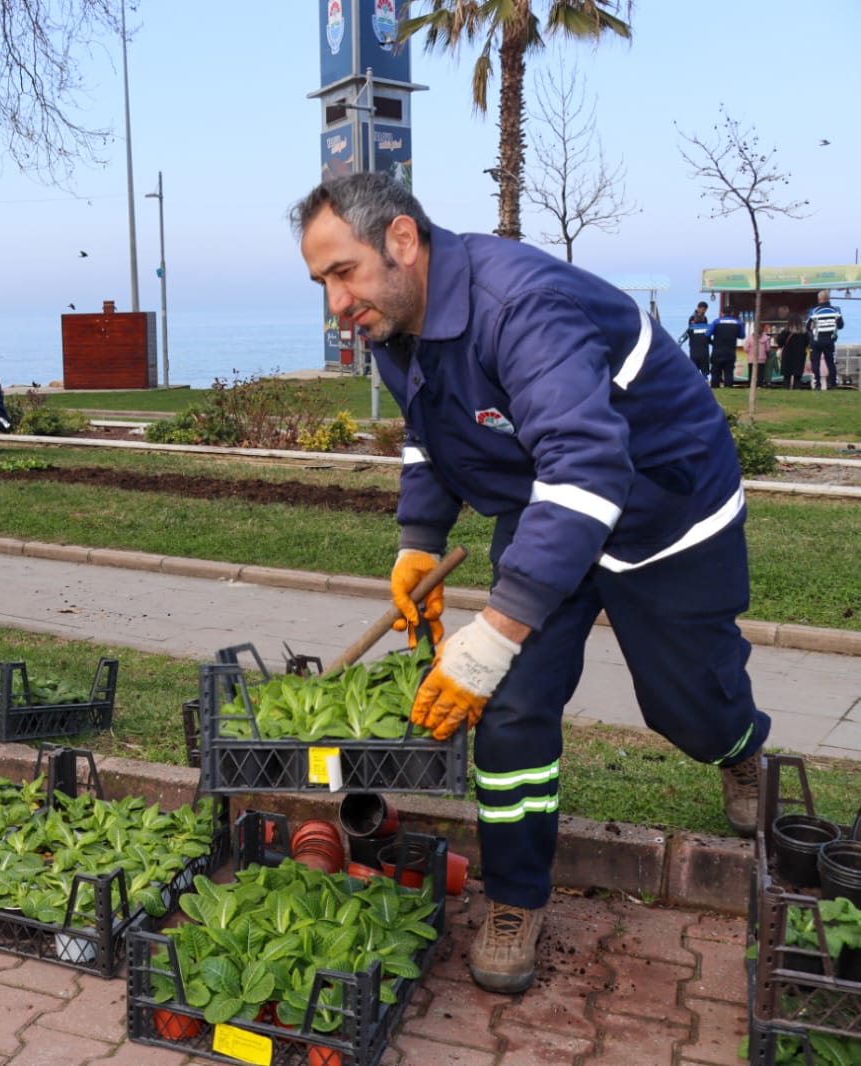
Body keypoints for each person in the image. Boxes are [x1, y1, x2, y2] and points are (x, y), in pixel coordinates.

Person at [291, 173, 770, 996]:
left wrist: (493, 632)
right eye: (321, 282)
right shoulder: (394, 321)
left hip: (666, 504)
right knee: (509, 707)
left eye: (343, 273)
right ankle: (515, 897)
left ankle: (737, 749)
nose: (336, 303)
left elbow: (588, 467)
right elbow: (430, 432)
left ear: (401, 240)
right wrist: (418, 541)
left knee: (684, 705)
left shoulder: (522, 305)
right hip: (546, 504)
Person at [807, 291, 844, 391]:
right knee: (830, 362)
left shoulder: (814, 311)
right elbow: (841, 325)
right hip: (830, 340)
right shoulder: (836, 310)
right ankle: (833, 384)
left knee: (815, 362)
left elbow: (808, 326)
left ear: (819, 299)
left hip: (816, 340)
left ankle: (817, 384)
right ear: (828, 298)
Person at [705, 304, 745, 388]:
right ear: (732, 313)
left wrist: (712, 342)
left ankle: (715, 388)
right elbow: (742, 335)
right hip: (730, 352)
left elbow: (707, 334)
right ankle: (728, 388)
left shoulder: (716, 322)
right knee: (729, 373)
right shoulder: (738, 323)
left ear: (722, 313)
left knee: (715, 372)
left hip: (717, 351)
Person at [680, 302, 711, 378]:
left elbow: (705, 331)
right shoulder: (692, 318)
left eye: (705, 310)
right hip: (696, 346)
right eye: (703, 309)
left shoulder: (705, 318)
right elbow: (690, 330)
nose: (704, 311)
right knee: (696, 368)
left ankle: (703, 379)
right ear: (699, 308)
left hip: (702, 347)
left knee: (703, 368)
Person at [777, 317, 810, 389]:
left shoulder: (785, 331)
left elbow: (780, 342)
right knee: (797, 375)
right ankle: (797, 388)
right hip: (800, 355)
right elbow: (807, 343)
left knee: (787, 375)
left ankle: (786, 388)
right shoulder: (804, 332)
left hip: (787, 355)